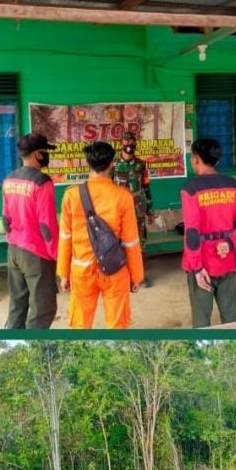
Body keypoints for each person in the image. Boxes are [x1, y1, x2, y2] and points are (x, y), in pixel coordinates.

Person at [56, 141, 144, 329]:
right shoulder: (123, 196)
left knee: (79, 325)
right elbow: (131, 241)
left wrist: (63, 274)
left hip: (81, 271)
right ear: (112, 163)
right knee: (117, 325)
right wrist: (136, 276)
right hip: (115, 270)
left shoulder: (71, 195)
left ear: (88, 163)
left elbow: (65, 237)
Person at [180, 138, 236, 327]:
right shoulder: (233, 185)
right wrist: (232, 242)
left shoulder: (191, 189)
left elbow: (191, 232)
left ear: (196, 159)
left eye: (192, 157)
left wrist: (197, 268)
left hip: (202, 265)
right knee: (230, 317)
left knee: (201, 322)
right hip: (226, 259)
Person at [2, 132, 59, 329]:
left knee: (17, 305)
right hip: (36, 253)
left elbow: (5, 220)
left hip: (13, 251)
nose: (47, 156)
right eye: (45, 152)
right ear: (37, 154)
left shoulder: (9, 179)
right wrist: (55, 256)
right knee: (42, 310)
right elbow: (47, 226)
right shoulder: (42, 182)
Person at [113, 131, 154, 287]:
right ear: (121, 144)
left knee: (140, 242)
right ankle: (122, 275)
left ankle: (140, 275)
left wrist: (150, 210)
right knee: (119, 241)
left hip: (138, 207)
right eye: (126, 142)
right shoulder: (114, 164)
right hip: (119, 209)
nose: (129, 145)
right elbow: (108, 188)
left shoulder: (141, 164)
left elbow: (146, 187)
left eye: (131, 141)